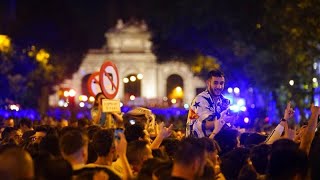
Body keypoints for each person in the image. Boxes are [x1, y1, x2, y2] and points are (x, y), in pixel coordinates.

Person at [186, 69, 236, 138]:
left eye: (221, 83)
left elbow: (227, 125)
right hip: (199, 144)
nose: (219, 86)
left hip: (218, 143)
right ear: (208, 83)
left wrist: (233, 121)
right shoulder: (201, 99)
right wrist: (224, 120)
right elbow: (203, 124)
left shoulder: (225, 101)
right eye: (215, 83)